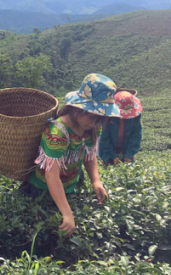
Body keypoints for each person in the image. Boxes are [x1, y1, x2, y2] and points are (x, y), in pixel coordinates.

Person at [21, 73, 121, 237]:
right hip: (42, 189)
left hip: (70, 184)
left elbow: (89, 155)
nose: (96, 123)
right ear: (78, 108)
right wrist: (67, 213)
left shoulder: (91, 127)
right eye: (93, 116)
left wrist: (96, 181)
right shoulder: (57, 131)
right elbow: (51, 174)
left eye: (101, 119)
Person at [98, 90, 142, 165]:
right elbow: (104, 139)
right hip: (108, 152)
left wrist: (129, 154)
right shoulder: (108, 118)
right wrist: (113, 155)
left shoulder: (135, 118)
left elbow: (136, 136)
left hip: (126, 150)